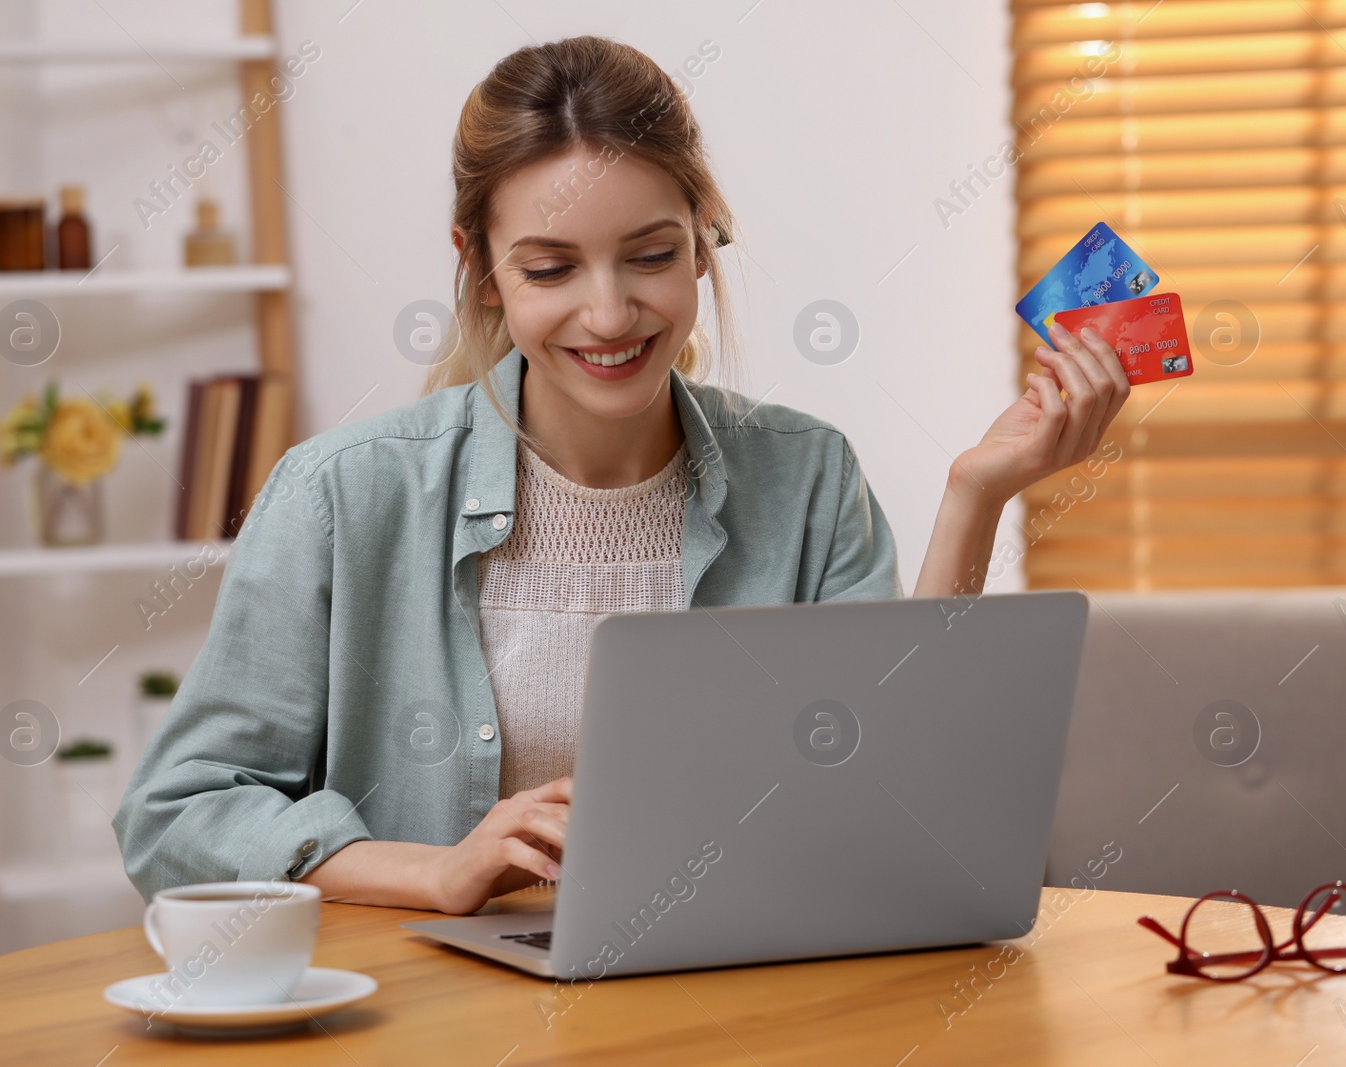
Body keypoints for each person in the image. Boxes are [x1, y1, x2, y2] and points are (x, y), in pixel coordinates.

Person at [114, 35, 1129, 915]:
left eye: (648, 255)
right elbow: (177, 812)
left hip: (734, 1010)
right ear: (481, 270)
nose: (607, 315)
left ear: (701, 245)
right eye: (550, 269)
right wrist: (435, 868)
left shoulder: (805, 474)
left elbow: (898, 801)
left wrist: (976, 493)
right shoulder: (343, 494)